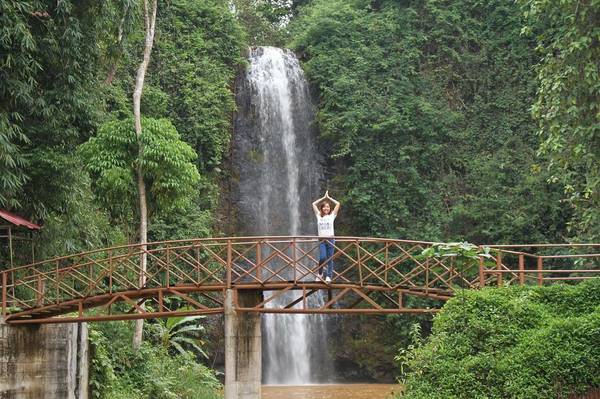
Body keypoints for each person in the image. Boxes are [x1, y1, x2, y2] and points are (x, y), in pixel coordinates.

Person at [312, 190, 340, 283]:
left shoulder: (332, 216)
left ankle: (329, 276)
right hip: (321, 240)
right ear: (322, 208)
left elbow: (338, 204)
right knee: (322, 257)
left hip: (331, 239)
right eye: (324, 207)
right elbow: (313, 204)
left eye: (328, 207)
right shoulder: (318, 216)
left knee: (330, 259)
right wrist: (323, 198)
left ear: (330, 208)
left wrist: (329, 198)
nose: (326, 208)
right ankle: (320, 274)